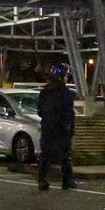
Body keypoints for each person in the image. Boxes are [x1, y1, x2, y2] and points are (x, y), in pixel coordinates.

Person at [37, 62, 77, 191]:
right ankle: (66, 180)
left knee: (45, 155)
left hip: (47, 127)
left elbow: (40, 111)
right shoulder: (66, 93)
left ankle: (42, 180)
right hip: (61, 128)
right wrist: (70, 128)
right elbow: (69, 113)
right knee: (65, 155)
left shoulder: (44, 92)